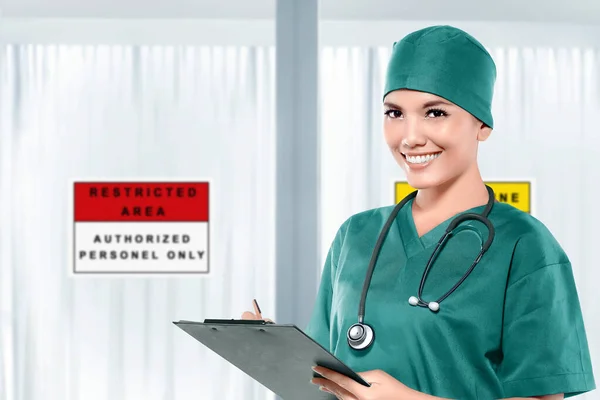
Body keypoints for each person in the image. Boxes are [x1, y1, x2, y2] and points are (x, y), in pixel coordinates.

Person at [242, 25, 596, 399]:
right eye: (395, 113)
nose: (410, 137)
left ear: (483, 125)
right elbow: (322, 381)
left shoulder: (524, 245)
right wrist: (277, 351)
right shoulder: (356, 235)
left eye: (435, 113)